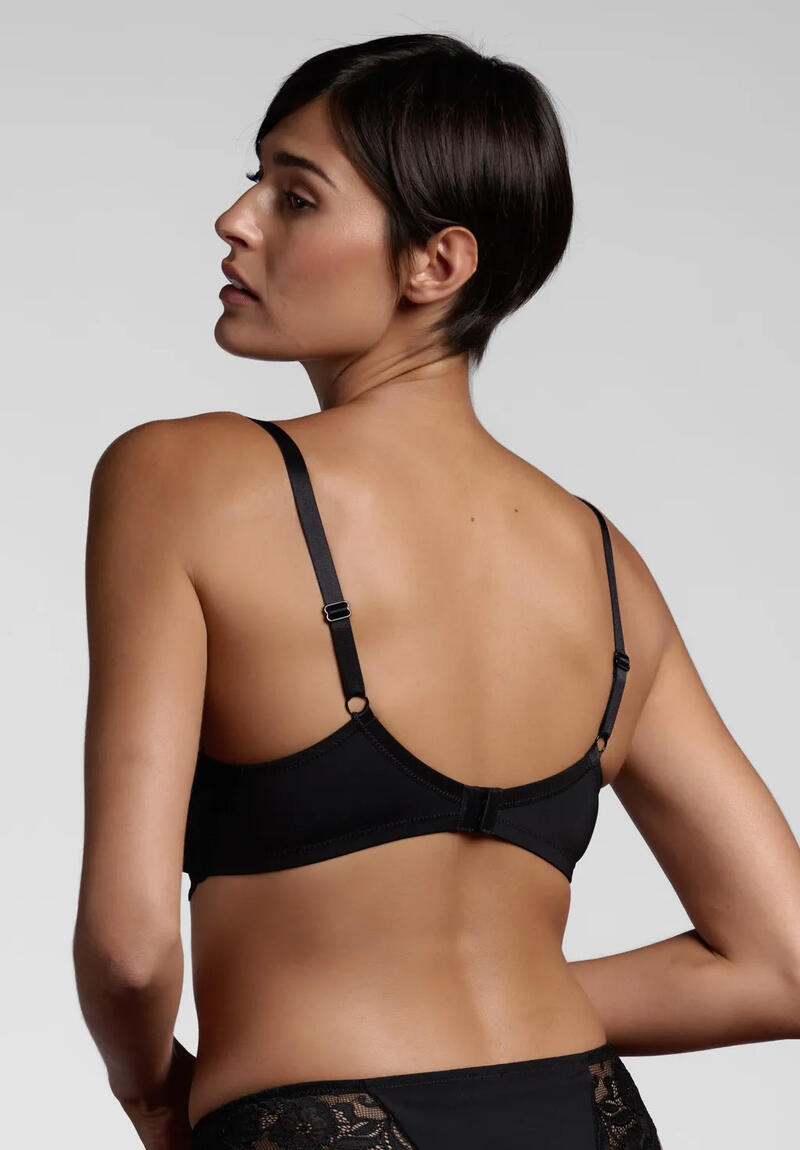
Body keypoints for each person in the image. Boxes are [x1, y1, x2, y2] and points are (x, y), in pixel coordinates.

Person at [73, 32, 800, 1150]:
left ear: (435, 264)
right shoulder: (604, 566)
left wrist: (149, 1093)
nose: (235, 219)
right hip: (584, 1115)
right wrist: (495, 1011)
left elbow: (128, 948)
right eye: (254, 180)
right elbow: (783, 962)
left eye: (294, 196)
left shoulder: (179, 478)